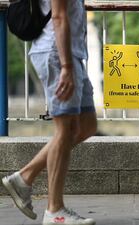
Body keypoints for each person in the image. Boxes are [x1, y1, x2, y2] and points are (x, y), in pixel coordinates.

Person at [2, 0, 97, 225]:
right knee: (64, 131)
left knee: (86, 126)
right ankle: (55, 211)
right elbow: (59, 16)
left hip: (71, 54)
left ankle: (25, 177)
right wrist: (65, 67)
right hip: (57, 54)